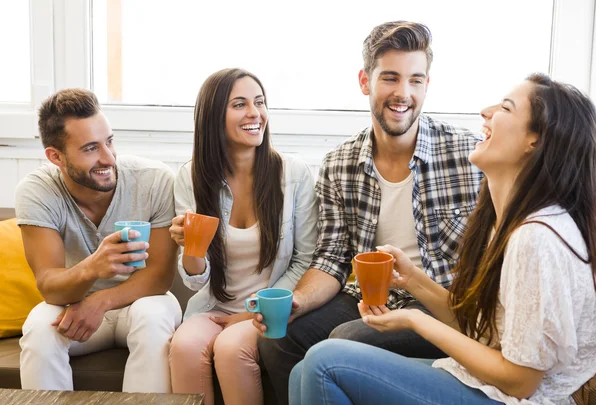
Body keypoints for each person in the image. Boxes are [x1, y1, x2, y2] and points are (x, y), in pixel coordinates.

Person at [290, 73, 596, 405]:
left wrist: (416, 319)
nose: (486, 111)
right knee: (300, 372)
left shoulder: (536, 238)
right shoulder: (509, 221)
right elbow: (481, 332)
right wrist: (413, 280)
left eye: (506, 108)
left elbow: (521, 381)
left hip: (519, 400)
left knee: (325, 362)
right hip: (484, 384)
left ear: (534, 141)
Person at [254, 21, 483, 404]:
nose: (403, 94)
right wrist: (299, 301)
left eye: (415, 80)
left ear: (427, 84)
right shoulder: (338, 163)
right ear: (365, 81)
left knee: (347, 339)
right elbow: (331, 258)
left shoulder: (468, 155)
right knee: (278, 341)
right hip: (365, 296)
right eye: (390, 78)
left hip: (441, 303)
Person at [15, 88, 182, 392]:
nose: (108, 157)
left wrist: (99, 301)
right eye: (91, 148)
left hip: (140, 301)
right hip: (74, 306)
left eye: (109, 141)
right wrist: (93, 268)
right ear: (56, 156)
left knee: (153, 317)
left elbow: (159, 277)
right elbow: (49, 286)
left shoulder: (155, 180)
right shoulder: (37, 191)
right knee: (39, 329)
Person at [168, 68, 318, 405]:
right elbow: (194, 281)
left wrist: (254, 310)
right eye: (239, 104)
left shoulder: (293, 175)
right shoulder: (191, 176)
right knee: (183, 345)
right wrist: (191, 247)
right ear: (213, 117)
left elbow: (306, 259)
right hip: (212, 305)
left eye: (259, 102)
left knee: (231, 348)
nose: (255, 113)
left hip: (269, 309)